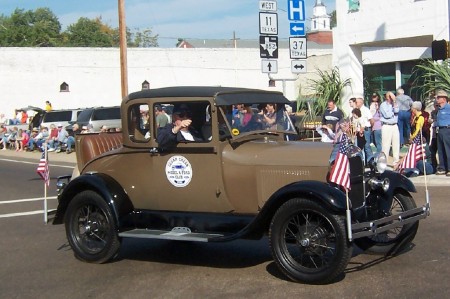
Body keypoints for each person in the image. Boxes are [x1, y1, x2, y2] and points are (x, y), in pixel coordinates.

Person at [379, 91, 400, 168]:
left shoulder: (395, 103)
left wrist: (394, 102)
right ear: (387, 97)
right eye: (390, 97)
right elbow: (387, 115)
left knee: (396, 144)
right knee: (386, 145)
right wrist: (393, 111)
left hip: (394, 125)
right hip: (386, 125)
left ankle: (396, 163)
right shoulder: (383, 105)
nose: (391, 99)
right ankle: (384, 163)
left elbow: (397, 111)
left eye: (392, 97)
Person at [435, 90, 450, 176]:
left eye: (439, 97)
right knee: (440, 150)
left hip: (447, 129)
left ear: (444, 99)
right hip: (439, 130)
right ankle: (442, 168)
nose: (437, 98)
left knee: (448, 149)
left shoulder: (448, 108)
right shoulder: (439, 109)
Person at [355, 97, 374, 163]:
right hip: (359, 131)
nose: (355, 103)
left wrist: (370, 128)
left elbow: (371, 120)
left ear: (361, 102)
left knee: (366, 146)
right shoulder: (356, 110)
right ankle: (363, 162)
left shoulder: (366, 110)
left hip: (365, 130)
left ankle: (371, 161)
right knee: (360, 147)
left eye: (356, 102)